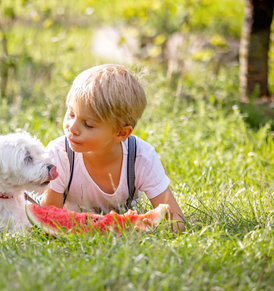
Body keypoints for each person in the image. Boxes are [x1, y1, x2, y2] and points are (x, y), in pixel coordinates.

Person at [41, 64, 185, 232]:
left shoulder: (141, 157)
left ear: (121, 133)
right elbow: (49, 219)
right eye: (71, 114)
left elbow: (177, 220)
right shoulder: (60, 154)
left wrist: (142, 228)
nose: (72, 128)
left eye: (88, 124)